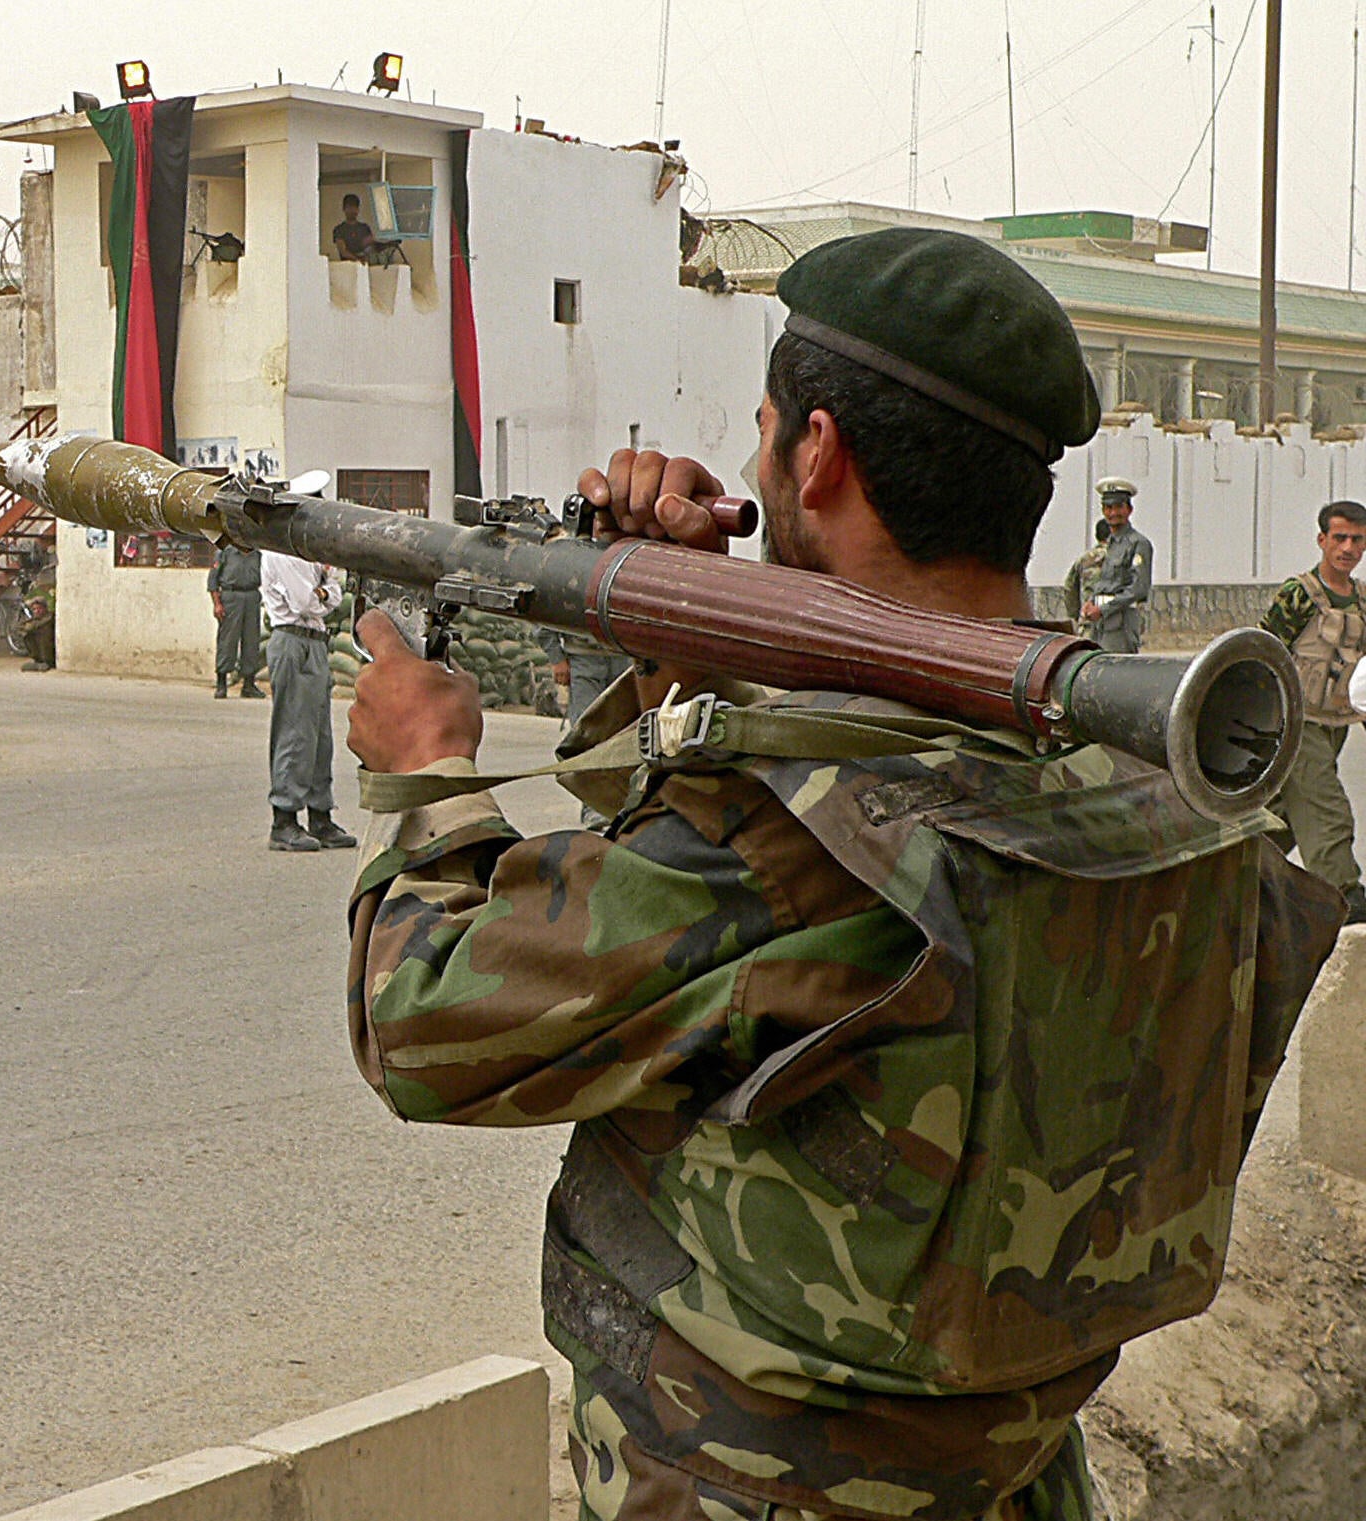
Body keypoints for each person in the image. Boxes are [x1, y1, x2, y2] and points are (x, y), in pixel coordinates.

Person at [343, 228, 1345, 1521]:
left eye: (765, 432)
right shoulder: (1152, 781)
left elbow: (424, 1021)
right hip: (1016, 1478)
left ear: (817, 453)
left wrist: (428, 771)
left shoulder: (796, 837)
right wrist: (694, 636)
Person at [1262, 499, 1366, 923]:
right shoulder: (1299, 595)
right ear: (1322, 540)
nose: (1347, 547)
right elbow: (1263, 649)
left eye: (1356, 540)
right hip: (1297, 722)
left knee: (1284, 812)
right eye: (1338, 538)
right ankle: (1343, 895)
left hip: (1335, 724)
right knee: (1326, 807)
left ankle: (1240, 871)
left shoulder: (1360, 601)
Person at [260, 549, 356, 852]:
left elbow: (334, 596)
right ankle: (284, 820)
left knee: (320, 737)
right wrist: (323, 590)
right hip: (292, 640)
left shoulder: (309, 559)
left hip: (314, 641)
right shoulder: (283, 554)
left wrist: (323, 590)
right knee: (294, 732)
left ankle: (320, 816)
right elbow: (305, 603)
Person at [540, 629, 632, 827]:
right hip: (583, 659)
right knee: (588, 736)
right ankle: (593, 809)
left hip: (622, 657)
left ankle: (623, 807)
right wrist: (557, 658)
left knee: (624, 735)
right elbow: (547, 617)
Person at [1079, 476, 1154, 652]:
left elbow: (1138, 588)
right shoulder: (1111, 544)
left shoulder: (1138, 543)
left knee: (1117, 674)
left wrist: (1104, 609)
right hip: (1100, 623)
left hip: (1120, 622)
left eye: (1119, 507)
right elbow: (1105, 582)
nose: (1113, 513)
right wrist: (1090, 603)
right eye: (1108, 507)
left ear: (1129, 509)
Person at [207, 540, 265, 699]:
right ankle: (221, 683)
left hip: (252, 596)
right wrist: (217, 604)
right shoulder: (225, 551)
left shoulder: (258, 554)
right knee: (227, 640)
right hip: (230, 597)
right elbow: (213, 580)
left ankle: (248, 684)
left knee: (252, 641)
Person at [1060, 516, 1112, 637]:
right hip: (1117, 625)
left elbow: (1069, 588)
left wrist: (1076, 616)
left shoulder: (1084, 560)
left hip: (1089, 622)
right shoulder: (1123, 558)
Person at [331, 194, 376, 263]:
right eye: (349, 207)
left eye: (355, 208)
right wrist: (357, 260)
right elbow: (343, 251)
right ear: (344, 209)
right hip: (347, 267)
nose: (352, 210)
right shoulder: (339, 230)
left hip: (365, 265)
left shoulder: (365, 228)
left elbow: (370, 247)